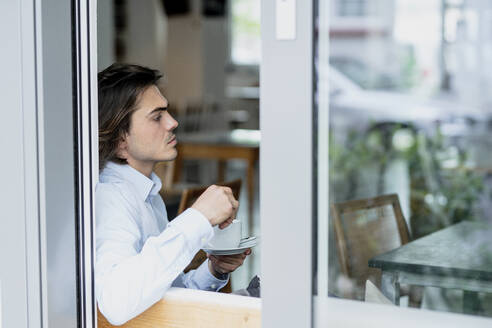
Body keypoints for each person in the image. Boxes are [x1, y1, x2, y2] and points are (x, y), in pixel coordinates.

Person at [96, 63, 251, 325]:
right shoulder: (111, 198)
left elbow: (164, 297)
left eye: (166, 112)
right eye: (157, 117)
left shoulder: (146, 193)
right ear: (121, 139)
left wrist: (213, 270)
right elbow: (116, 301)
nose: (173, 122)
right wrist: (197, 217)